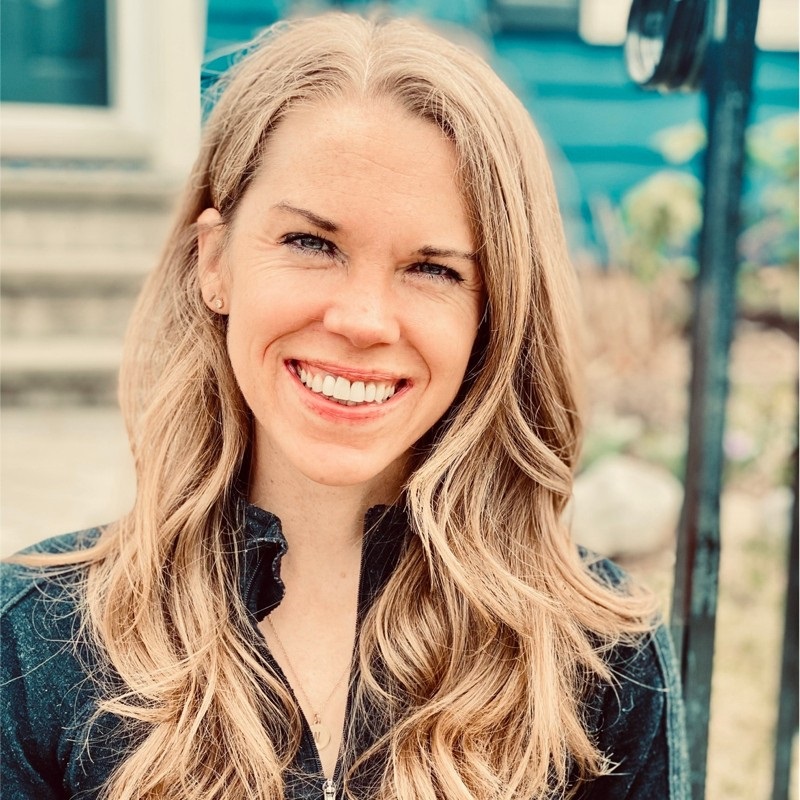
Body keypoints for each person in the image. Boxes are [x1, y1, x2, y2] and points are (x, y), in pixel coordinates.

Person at [1, 12, 689, 800]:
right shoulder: (34, 643)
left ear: (491, 316)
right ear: (215, 262)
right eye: (311, 243)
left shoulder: (602, 659)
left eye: (432, 268)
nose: (362, 320)